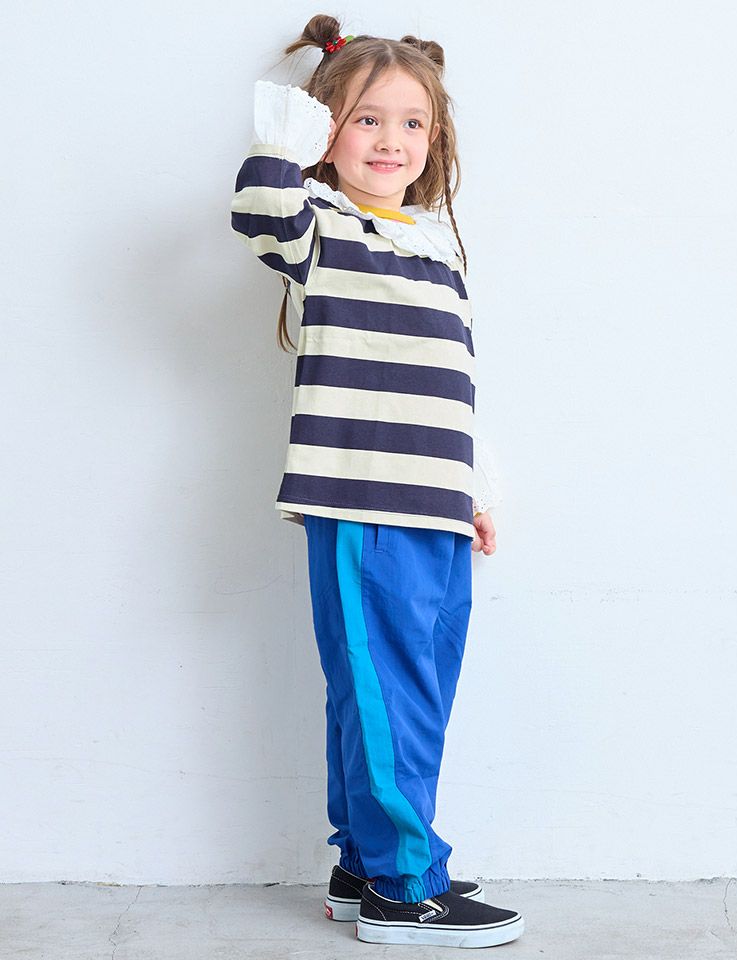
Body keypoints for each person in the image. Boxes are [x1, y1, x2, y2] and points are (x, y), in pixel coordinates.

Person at [230, 14, 522, 949]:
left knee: (412, 689)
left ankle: (365, 863)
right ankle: (404, 884)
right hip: (361, 500)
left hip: (432, 502)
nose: (391, 140)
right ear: (328, 132)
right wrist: (296, 137)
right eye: (367, 120)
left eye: (411, 123)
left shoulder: (436, 246)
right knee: (385, 692)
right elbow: (261, 210)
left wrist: (473, 486)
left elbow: (450, 385)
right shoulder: (321, 228)